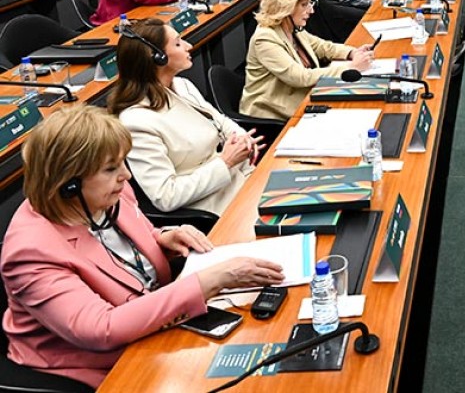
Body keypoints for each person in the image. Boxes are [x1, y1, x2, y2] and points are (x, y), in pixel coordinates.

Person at [0, 104, 284, 389]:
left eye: (123, 162)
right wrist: (210, 281)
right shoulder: (31, 252)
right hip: (94, 367)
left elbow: (124, 247)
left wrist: (164, 238)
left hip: (154, 327)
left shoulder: (108, 192)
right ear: (68, 185)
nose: (126, 175)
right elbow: (101, 329)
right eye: (111, 168)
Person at [109, 18, 259, 216]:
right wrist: (225, 163)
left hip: (241, 180)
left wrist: (242, 139)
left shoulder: (182, 85)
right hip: (215, 205)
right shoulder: (136, 121)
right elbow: (166, 196)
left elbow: (220, 120)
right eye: (178, 43)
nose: (189, 46)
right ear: (158, 58)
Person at [239, 0, 374, 121]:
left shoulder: (292, 27)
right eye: (304, 4)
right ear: (286, 5)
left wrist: (352, 52)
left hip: (302, 99)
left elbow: (322, 47)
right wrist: (351, 67)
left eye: (310, 3)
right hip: (272, 115)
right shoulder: (264, 38)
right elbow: (299, 77)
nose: (311, 10)